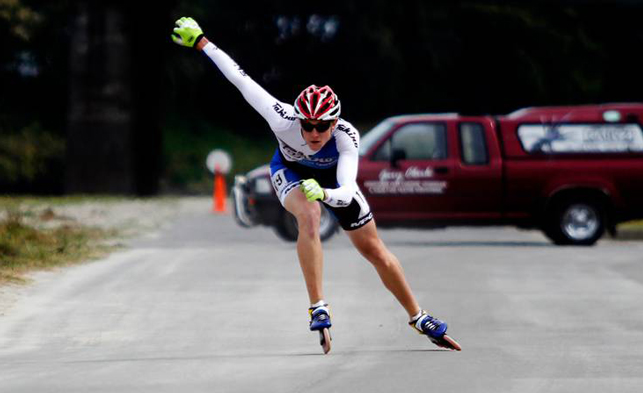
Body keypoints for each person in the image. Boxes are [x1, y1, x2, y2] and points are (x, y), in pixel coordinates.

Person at [172, 17, 460, 352]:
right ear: (299, 118)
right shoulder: (280, 116)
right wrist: (202, 42)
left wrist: (324, 192)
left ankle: (418, 316)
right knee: (308, 216)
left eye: (322, 126)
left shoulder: (346, 138)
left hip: (333, 183)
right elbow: (240, 78)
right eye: (307, 125)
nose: (313, 133)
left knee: (374, 250)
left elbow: (347, 189)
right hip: (289, 170)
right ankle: (318, 305)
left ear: (335, 122)